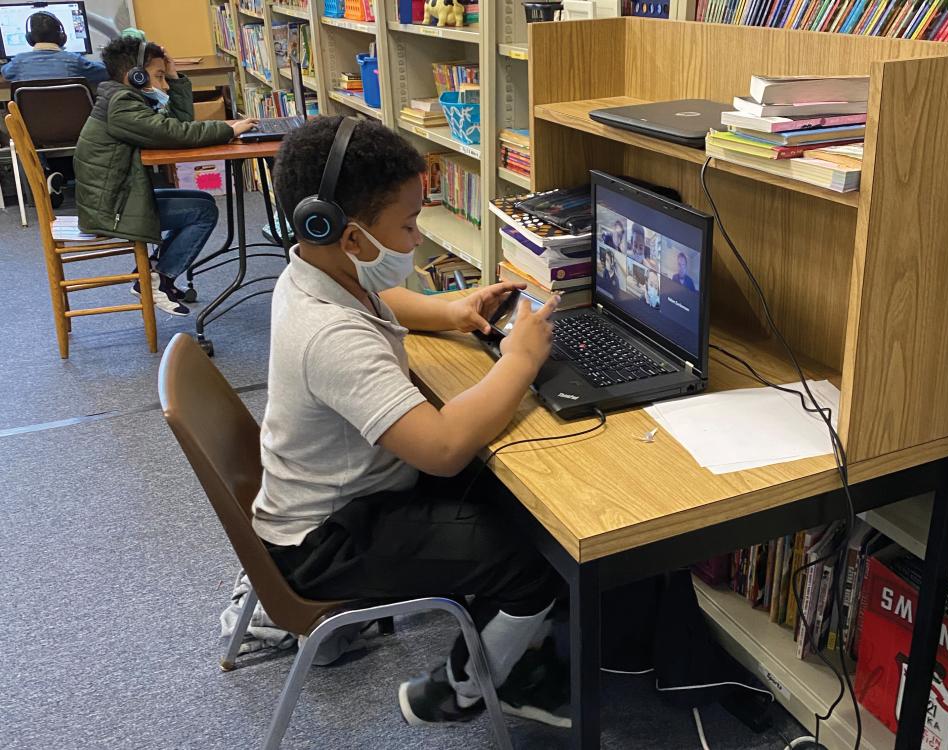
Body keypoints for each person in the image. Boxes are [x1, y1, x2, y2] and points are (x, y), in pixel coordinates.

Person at [258, 116, 570, 729]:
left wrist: (450, 311)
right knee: (527, 559)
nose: (414, 237)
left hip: (341, 497)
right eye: (406, 225)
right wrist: (520, 360)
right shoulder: (329, 335)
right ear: (348, 237)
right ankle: (460, 689)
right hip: (326, 541)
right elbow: (445, 447)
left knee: (522, 502)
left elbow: (385, 301)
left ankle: (516, 645)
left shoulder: (316, 275)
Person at [73, 37, 257, 315]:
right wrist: (229, 129)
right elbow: (176, 134)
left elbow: (178, 124)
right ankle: (157, 277)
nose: (166, 85)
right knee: (202, 212)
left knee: (202, 202)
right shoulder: (122, 105)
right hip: (112, 208)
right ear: (134, 76)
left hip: (114, 197)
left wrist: (174, 76)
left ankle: (157, 275)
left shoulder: (123, 97)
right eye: (159, 76)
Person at [1, 11, 108, 83]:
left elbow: (5, 72)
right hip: (73, 115)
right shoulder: (75, 60)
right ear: (62, 37)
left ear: (29, 38)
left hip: (31, 116)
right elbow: (108, 71)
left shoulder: (17, 63)